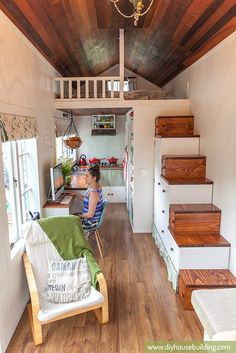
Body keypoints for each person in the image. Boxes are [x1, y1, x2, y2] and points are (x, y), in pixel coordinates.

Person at [68, 164, 103, 230]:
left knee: (67, 223)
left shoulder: (93, 193)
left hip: (90, 222)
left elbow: (90, 215)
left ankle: (77, 240)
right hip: (89, 219)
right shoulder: (93, 187)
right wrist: (75, 194)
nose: (84, 177)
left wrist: (77, 215)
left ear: (94, 178)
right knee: (70, 217)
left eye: (87, 176)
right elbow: (87, 199)